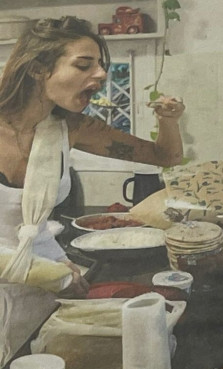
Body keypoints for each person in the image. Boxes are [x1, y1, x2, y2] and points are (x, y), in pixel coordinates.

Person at [0, 16, 186, 297]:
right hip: (32, 274)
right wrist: (41, 271)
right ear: (38, 69)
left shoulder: (72, 128)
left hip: (48, 283)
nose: (101, 74)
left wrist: (168, 121)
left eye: (100, 65)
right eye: (83, 65)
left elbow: (166, 156)